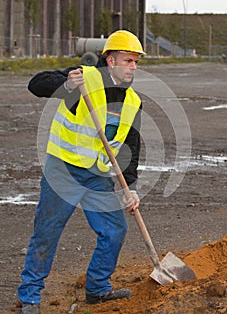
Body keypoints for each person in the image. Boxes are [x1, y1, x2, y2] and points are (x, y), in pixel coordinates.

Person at [18, 30, 146, 314]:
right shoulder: (84, 78)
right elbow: (36, 83)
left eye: (136, 62)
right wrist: (65, 83)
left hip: (96, 177)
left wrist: (131, 187)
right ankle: (30, 297)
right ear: (111, 61)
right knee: (47, 232)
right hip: (62, 170)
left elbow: (131, 146)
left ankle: (98, 289)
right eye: (128, 60)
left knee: (114, 229)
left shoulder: (133, 102)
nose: (133, 67)